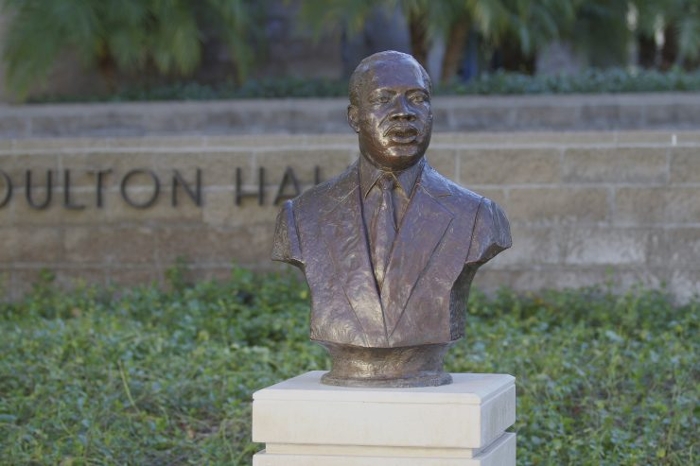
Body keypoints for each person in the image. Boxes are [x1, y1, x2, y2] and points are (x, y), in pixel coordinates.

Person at [272, 50, 511, 387]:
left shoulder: (477, 217)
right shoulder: (302, 217)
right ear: (354, 117)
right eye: (383, 100)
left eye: (417, 99)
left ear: (431, 113)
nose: (403, 113)